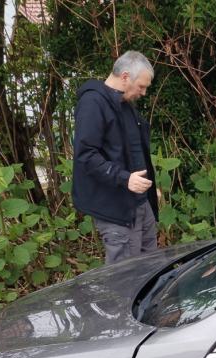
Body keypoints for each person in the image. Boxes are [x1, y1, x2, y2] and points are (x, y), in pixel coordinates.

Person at [72, 51, 160, 264]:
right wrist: (124, 178)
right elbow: (86, 155)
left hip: (140, 203)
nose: (144, 93)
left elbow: (134, 152)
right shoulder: (93, 103)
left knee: (151, 267)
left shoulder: (125, 105)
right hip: (116, 209)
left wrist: (149, 188)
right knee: (126, 275)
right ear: (125, 77)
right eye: (141, 86)